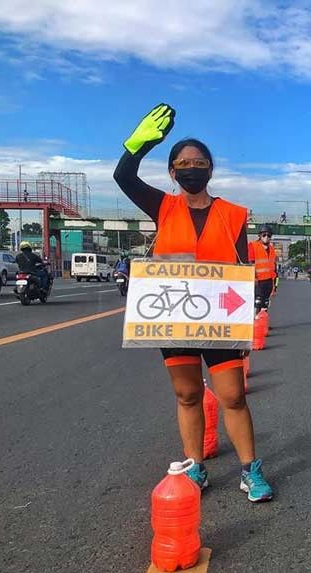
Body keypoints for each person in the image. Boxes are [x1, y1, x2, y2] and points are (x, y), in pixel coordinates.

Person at [113, 103, 272, 502]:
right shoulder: (162, 207)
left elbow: (240, 266)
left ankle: (250, 470)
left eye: (200, 162)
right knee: (187, 395)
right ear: (172, 172)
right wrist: (137, 145)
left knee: (233, 396)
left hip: (219, 320)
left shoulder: (233, 215)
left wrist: (249, 311)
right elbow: (123, 176)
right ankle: (195, 466)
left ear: (210, 170)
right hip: (176, 321)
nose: (192, 167)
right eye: (184, 162)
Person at [249, 225, 277, 312]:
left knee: (265, 303)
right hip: (258, 280)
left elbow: (274, 268)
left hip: (269, 281)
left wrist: (275, 284)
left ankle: (262, 324)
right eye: (264, 235)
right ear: (259, 236)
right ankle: (255, 322)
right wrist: (253, 278)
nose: (266, 237)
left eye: (269, 235)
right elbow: (251, 263)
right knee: (258, 302)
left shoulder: (272, 249)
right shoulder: (253, 246)